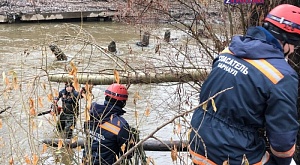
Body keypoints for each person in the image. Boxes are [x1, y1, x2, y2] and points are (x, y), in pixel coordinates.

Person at [189, 4, 300, 165]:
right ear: (288, 41)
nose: (294, 50)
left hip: (199, 142)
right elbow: (282, 142)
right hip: (232, 154)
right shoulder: (282, 75)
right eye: (296, 45)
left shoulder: (229, 51)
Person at [83, 83, 133, 165]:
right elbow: (128, 153)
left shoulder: (91, 113)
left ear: (106, 97)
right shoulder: (121, 125)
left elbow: (87, 131)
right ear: (123, 103)